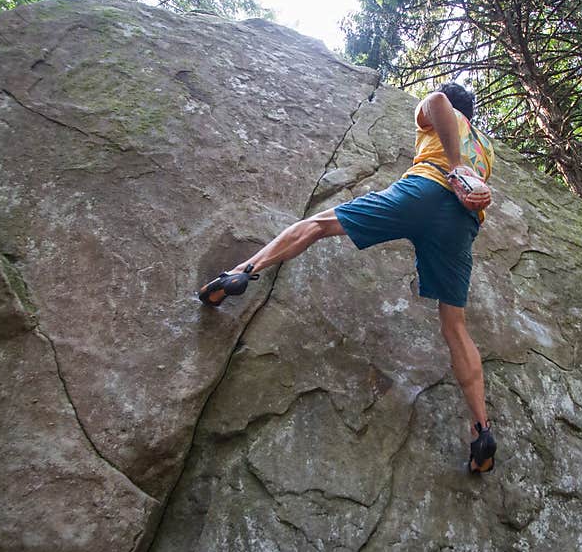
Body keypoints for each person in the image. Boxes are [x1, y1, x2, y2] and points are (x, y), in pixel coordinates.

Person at [197, 82, 497, 473]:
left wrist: (452, 163)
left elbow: (437, 102)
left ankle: (240, 273)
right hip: (462, 223)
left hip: (427, 189)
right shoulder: (485, 147)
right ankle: (482, 432)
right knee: (455, 326)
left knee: (319, 224)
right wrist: (466, 170)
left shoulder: (443, 114)